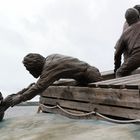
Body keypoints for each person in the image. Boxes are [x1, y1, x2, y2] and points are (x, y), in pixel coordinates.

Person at [0, 53, 102, 116]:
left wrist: (20, 98)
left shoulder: (50, 66)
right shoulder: (50, 59)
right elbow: (41, 82)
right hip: (84, 78)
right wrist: (24, 91)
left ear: (34, 66)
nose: (29, 72)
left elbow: (40, 86)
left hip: (91, 77)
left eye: (29, 69)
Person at [114, 8, 140, 77]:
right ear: (138, 16)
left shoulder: (125, 33)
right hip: (135, 56)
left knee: (119, 72)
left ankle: (120, 87)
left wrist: (117, 68)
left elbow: (117, 54)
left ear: (127, 21)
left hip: (137, 57)